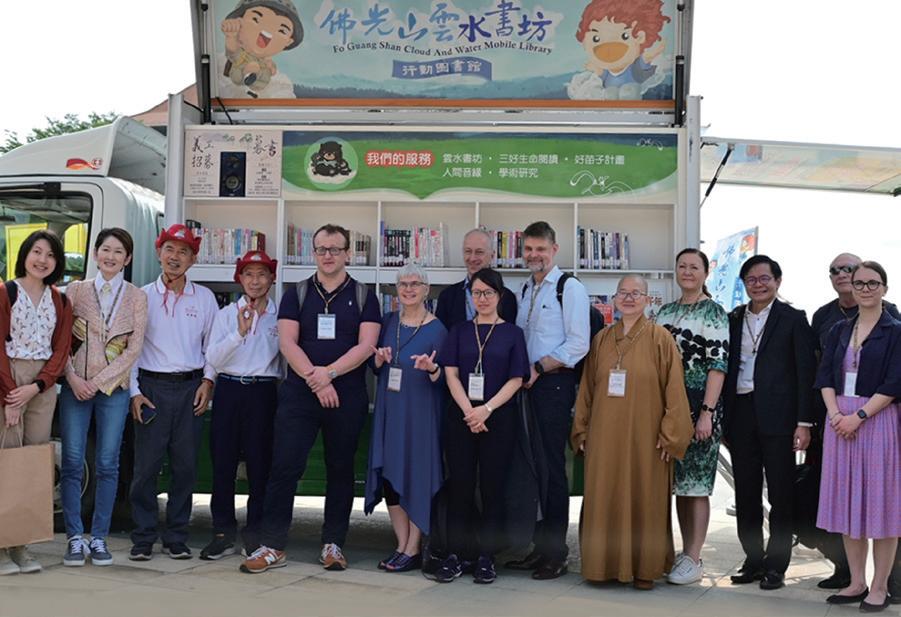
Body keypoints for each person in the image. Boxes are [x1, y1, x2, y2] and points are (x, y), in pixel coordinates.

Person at [241, 224, 380, 574]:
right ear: (313, 252)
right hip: (300, 394)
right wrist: (317, 381)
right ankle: (272, 545)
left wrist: (328, 374)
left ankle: (333, 544)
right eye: (321, 249)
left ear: (348, 253)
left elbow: (367, 346)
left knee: (340, 469)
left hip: (346, 395)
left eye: (335, 249)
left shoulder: (365, 296)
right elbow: (287, 343)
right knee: (284, 466)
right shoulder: (297, 293)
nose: (328, 255)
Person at [571, 274, 692, 590]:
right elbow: (587, 388)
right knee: (603, 496)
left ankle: (644, 569)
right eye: (622, 293)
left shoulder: (660, 338)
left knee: (645, 497)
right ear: (614, 299)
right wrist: (582, 429)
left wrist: (671, 434)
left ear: (648, 300)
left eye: (636, 293)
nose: (628, 298)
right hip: (603, 436)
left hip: (646, 438)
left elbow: (675, 390)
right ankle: (602, 567)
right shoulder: (601, 339)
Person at [723, 254, 816, 590]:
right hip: (740, 413)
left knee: (781, 493)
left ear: (777, 281)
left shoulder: (793, 318)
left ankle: (776, 566)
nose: (758, 284)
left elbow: (805, 373)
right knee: (746, 492)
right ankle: (752, 560)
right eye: (751, 279)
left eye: (765, 278)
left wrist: (804, 422)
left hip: (780, 417)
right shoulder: (734, 318)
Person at [128, 224, 218, 561]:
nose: (175, 257)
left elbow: (213, 347)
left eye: (183, 252)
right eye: (169, 249)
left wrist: (208, 382)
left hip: (190, 389)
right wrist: (134, 392)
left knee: (185, 467)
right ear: (158, 253)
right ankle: (143, 536)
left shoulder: (204, 298)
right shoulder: (141, 297)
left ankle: (176, 536)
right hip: (151, 388)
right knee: (146, 468)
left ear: (193, 259)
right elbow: (130, 350)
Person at [434, 268, 530, 584]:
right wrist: (469, 411)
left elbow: (516, 379)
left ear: (500, 296)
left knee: (493, 488)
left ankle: (487, 557)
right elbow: (450, 373)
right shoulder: (460, 331)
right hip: (462, 418)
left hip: (498, 418)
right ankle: (455, 555)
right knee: (460, 487)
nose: (483, 298)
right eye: (477, 293)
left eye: (489, 292)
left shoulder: (513, 334)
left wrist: (486, 409)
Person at [809, 253, 900, 590]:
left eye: (872, 283)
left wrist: (859, 417)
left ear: (884, 288)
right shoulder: (839, 329)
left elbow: (894, 383)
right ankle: (857, 582)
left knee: (881, 507)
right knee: (848, 504)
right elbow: (825, 376)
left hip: (877, 420)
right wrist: (836, 415)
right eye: (859, 282)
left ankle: (879, 586)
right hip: (840, 423)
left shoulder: (895, 331)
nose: (865, 288)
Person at [506, 221, 590, 580]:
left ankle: (556, 554)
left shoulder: (569, 288)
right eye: (528, 249)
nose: (534, 255)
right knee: (533, 469)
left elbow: (579, 343)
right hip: (525, 386)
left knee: (553, 469)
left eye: (540, 249)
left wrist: (540, 367)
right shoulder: (525, 288)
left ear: (554, 250)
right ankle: (538, 549)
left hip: (553, 385)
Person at [59, 228, 147, 568]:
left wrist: (97, 383)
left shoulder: (136, 297)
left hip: (113, 392)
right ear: (95, 253)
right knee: (72, 462)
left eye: (118, 251)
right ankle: (74, 537)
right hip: (75, 387)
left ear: (127, 258)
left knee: (108, 464)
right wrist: (72, 378)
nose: (111, 256)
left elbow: (134, 350)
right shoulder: (75, 291)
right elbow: (61, 341)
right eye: (105, 249)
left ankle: (98, 538)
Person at [0, 229, 73, 576]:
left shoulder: (61, 300)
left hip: (42, 385)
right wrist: (11, 395)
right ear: (25, 254)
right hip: (8, 379)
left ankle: (22, 545)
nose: (42, 260)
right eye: (37, 252)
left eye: (51, 255)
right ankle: (1, 546)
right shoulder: (6, 292)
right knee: (6, 461)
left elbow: (61, 350)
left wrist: (38, 386)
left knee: (32, 464)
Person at [365, 263, 447, 573]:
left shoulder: (438, 330)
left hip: (420, 415)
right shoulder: (388, 322)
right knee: (390, 478)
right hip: (390, 411)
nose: (408, 289)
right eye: (403, 284)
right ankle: (401, 544)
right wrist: (378, 361)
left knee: (415, 476)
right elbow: (376, 367)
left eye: (415, 284)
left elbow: (447, 379)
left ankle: (414, 547)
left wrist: (432, 369)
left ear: (427, 290)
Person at [201, 250, 281, 560]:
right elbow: (213, 358)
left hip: (263, 392)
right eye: (249, 274)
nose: (255, 281)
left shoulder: (280, 316)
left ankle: (255, 533)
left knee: (261, 466)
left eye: (262, 274)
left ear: (272, 279)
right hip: (230, 390)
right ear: (240, 279)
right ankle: (222, 533)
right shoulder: (225, 315)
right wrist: (239, 332)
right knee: (223, 464)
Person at [655, 249, 729, 585]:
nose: (687, 272)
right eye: (682, 266)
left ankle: (695, 557)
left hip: (700, 407)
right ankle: (683, 555)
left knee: (696, 486)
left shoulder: (713, 312)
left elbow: (718, 365)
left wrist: (707, 414)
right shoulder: (665, 311)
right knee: (678, 486)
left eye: (694, 267)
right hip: (667, 410)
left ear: (705, 272)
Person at [435, 228, 518, 330]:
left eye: (479, 252)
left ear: (492, 256)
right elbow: (443, 336)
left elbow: (509, 335)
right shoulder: (447, 296)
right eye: (468, 251)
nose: (472, 258)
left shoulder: (507, 298)